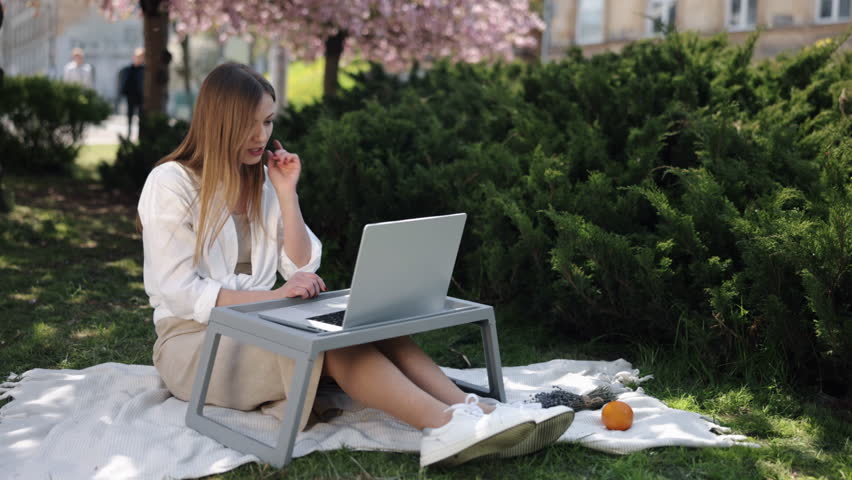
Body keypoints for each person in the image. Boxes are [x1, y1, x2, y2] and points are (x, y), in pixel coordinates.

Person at [137, 63, 574, 467]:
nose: (260, 134)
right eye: (249, 123)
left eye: (268, 121)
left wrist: (287, 193)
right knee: (336, 346)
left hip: (260, 321)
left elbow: (299, 263)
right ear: (220, 122)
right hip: (193, 344)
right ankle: (445, 428)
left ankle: (481, 412)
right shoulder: (171, 183)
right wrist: (274, 298)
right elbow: (180, 291)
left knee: (370, 325)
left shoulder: (262, 183)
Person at [118, 47, 145, 137]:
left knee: (142, 116)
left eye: (141, 57)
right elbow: (123, 81)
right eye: (137, 57)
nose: (139, 59)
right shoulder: (128, 69)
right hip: (130, 95)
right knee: (130, 115)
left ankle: (141, 134)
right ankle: (129, 134)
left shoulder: (144, 69)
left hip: (141, 96)